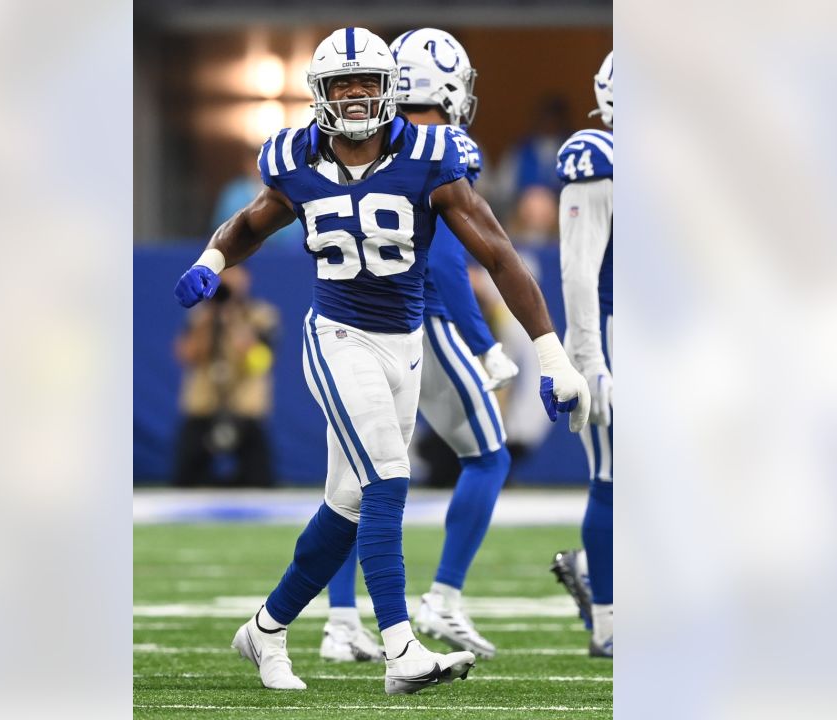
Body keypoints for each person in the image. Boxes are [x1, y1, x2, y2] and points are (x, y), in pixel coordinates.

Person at [174, 27, 589, 695]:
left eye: (368, 81)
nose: (358, 95)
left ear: (391, 87)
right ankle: (402, 650)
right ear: (321, 95)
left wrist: (551, 355)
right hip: (338, 336)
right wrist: (210, 260)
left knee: (345, 507)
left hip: (406, 345)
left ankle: (266, 629)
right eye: (344, 84)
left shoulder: (428, 154)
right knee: (387, 481)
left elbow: (499, 253)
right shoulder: (293, 158)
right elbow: (252, 221)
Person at [318, 27, 519, 664]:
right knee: (488, 456)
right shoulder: (443, 146)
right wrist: (485, 343)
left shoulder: (364, 141)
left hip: (345, 327)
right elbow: (448, 265)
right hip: (418, 323)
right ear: (451, 85)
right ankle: (444, 598)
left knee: (355, 482)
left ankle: (341, 621)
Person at [548, 51, 614, 659]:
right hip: (614, 335)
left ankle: (594, 572)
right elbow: (578, 271)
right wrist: (591, 359)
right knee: (614, 478)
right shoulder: (599, 157)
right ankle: (610, 621)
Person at [172, 265, 278, 487]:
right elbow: (186, 355)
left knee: (260, 482)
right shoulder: (199, 316)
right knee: (184, 481)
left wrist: (236, 323)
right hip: (203, 406)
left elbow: (261, 363)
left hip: (245, 408)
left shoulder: (260, 315)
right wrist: (209, 319)